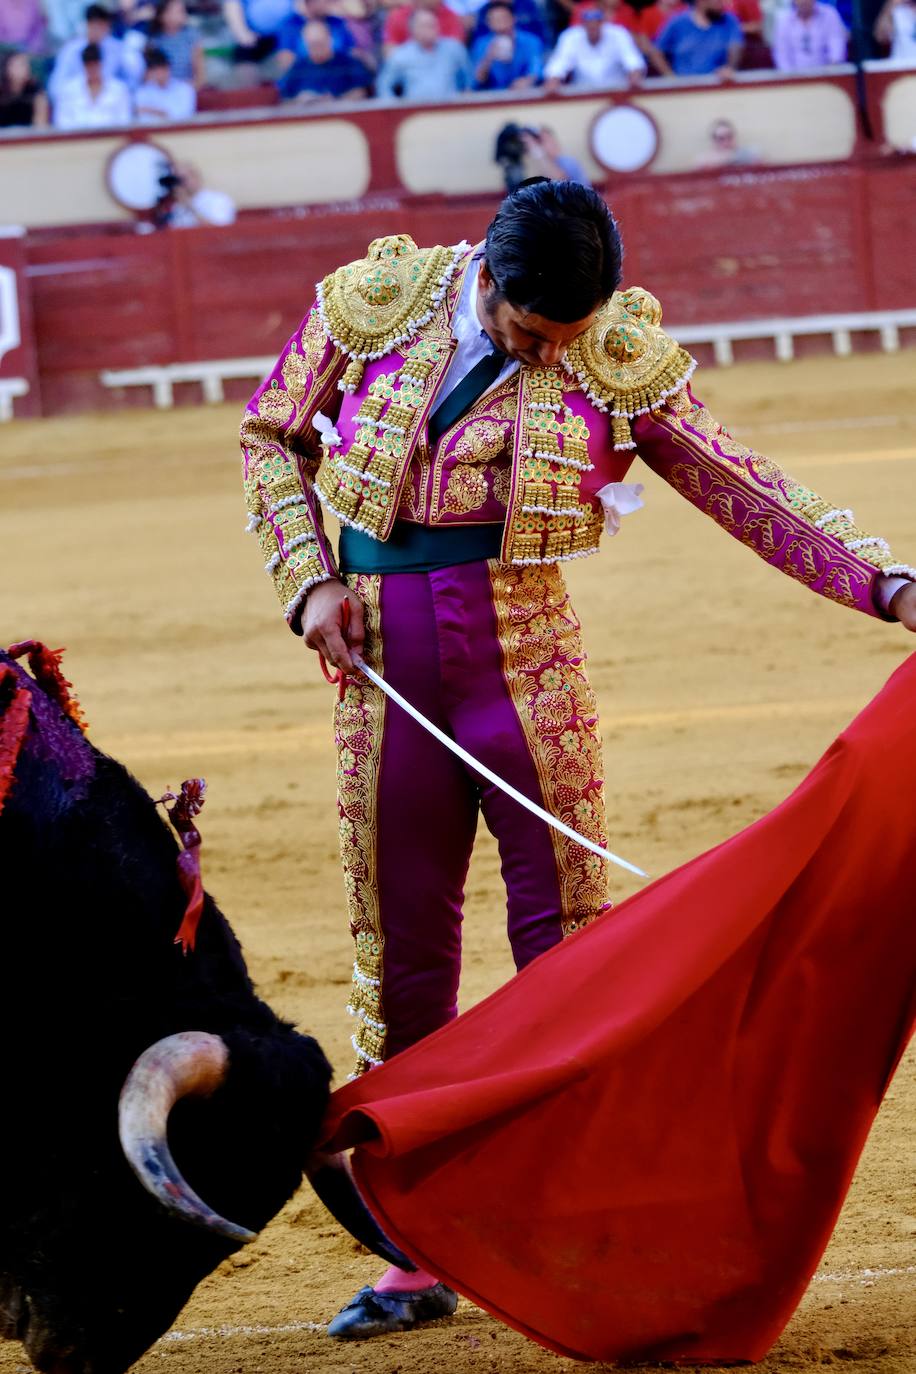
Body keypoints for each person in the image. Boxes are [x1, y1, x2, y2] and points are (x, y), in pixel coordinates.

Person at [240, 180, 916, 1339]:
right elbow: (269, 436)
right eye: (527, 334)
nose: (545, 356)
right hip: (385, 669)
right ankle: (414, 1247)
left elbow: (737, 483)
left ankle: (576, 1214)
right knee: (402, 950)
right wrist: (307, 583)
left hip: (526, 656)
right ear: (487, 282)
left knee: (569, 952)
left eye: (566, 341)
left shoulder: (611, 356)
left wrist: (889, 585)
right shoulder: (376, 302)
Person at [544, 4, 646, 88]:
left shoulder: (618, 33)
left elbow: (632, 59)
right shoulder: (571, 36)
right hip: (583, 91)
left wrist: (635, 75)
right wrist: (553, 79)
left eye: (596, 22)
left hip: (617, 89)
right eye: (589, 23)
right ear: (583, 24)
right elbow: (560, 62)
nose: (593, 26)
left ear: (603, 23)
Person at [377, 9, 473, 97]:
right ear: (412, 29)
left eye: (433, 25)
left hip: (450, 110)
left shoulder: (454, 49)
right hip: (416, 111)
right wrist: (394, 111)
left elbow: (469, 78)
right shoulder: (401, 55)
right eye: (424, 25)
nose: (430, 29)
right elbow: (383, 84)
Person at [277, 17, 370, 96]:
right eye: (312, 45)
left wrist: (335, 101)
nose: (317, 48)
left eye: (319, 43)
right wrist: (300, 100)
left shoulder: (349, 64)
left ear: (330, 39)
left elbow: (361, 91)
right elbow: (285, 98)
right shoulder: (298, 69)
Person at [650, 0, 744, 76]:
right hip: (684, 84)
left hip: (716, 82)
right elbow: (656, 52)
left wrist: (729, 68)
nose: (722, 3)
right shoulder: (678, 22)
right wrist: (670, 77)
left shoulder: (729, 20)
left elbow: (735, 47)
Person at [52, 40, 133, 128]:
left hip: (111, 139)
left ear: (101, 64)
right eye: (89, 66)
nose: (92, 70)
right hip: (78, 139)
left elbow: (125, 121)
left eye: (95, 65)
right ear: (83, 66)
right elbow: (62, 122)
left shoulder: (119, 89)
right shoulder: (68, 91)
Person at [470, 1, 545, 89]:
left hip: (524, 94)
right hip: (493, 96)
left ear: (513, 19)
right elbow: (475, 80)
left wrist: (527, 80)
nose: (500, 24)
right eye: (494, 20)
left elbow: (536, 70)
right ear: (488, 23)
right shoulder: (481, 44)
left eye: (503, 19)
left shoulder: (531, 41)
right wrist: (488, 59)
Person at [771, 0, 847, 69]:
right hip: (793, 77)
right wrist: (790, 77)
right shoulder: (783, 20)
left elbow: (837, 46)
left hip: (827, 74)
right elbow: (781, 55)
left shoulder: (830, 14)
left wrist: (832, 69)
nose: (803, 1)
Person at [158, 160, 237, 226]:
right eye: (175, 180)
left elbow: (221, 231)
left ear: (196, 177)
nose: (179, 184)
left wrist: (189, 206)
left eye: (182, 179)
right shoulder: (175, 205)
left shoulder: (218, 200)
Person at [133, 45, 196, 120]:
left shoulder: (185, 89)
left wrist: (155, 111)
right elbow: (142, 118)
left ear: (169, 68)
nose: (160, 73)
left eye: (163, 68)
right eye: (155, 70)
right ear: (149, 72)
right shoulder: (142, 92)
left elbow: (185, 116)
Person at [0, 50, 49, 128]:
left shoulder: (36, 93)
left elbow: (40, 126)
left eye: (25, 65)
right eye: (18, 65)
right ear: (6, 68)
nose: (24, 69)